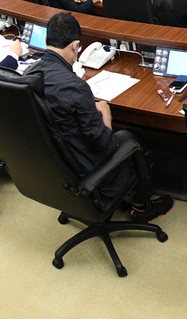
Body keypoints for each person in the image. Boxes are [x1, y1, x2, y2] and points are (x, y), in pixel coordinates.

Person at [30, 12, 173, 221]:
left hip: (58, 166)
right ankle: (142, 205)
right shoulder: (75, 87)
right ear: (75, 46)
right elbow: (104, 143)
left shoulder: (29, 75)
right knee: (132, 138)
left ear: (47, 39)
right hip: (87, 167)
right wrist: (105, 113)